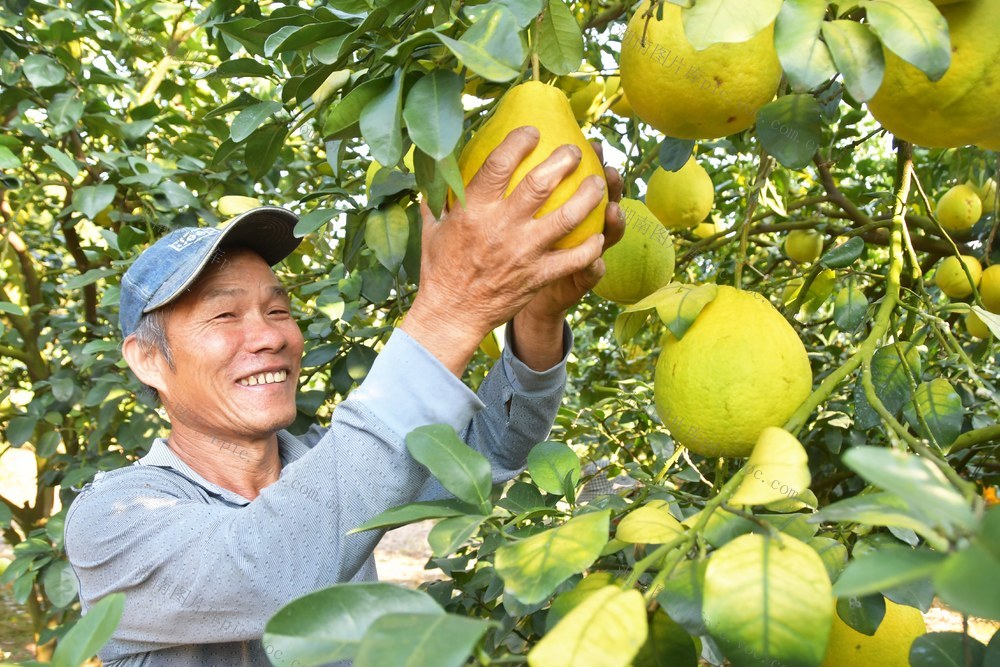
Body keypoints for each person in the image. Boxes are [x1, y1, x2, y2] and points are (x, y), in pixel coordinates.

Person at [64, 127, 624, 665]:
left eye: (279, 310)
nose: (270, 336)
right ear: (147, 359)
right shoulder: (113, 519)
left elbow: (491, 448)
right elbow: (266, 571)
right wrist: (451, 308)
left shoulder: (326, 464)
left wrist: (539, 316)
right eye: (225, 315)